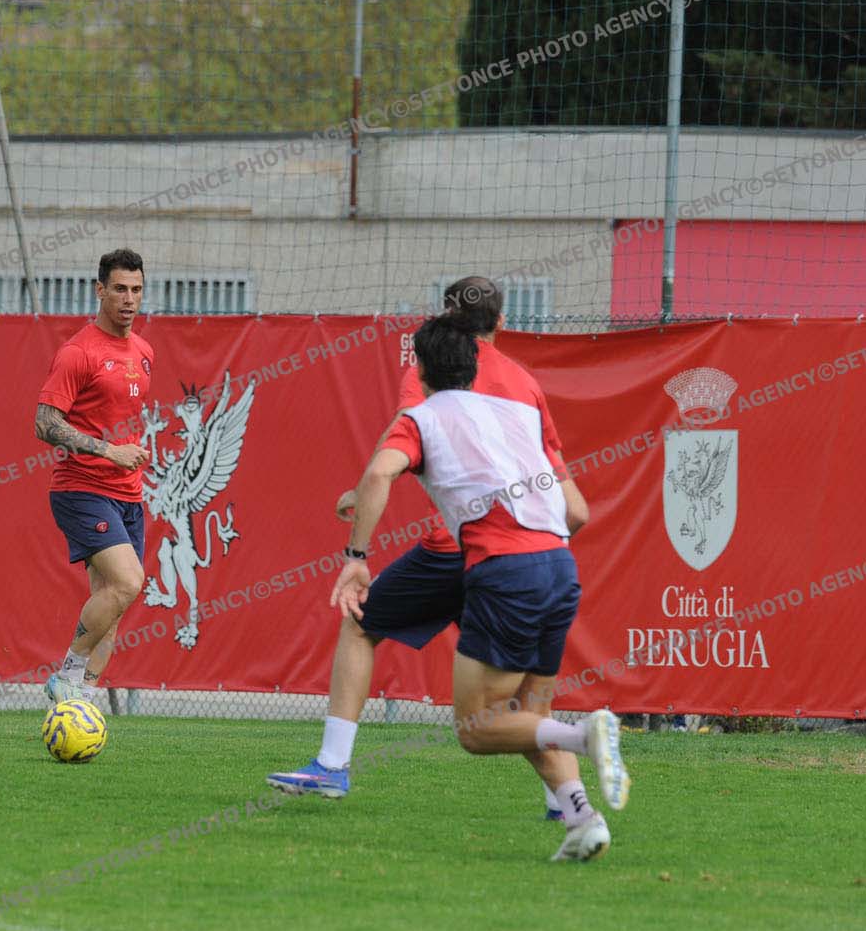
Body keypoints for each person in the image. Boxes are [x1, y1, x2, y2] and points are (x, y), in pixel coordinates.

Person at [268, 278, 588, 824]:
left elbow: (402, 442)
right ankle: (570, 805)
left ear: (443, 323)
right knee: (528, 701)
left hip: (460, 549)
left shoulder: (436, 370)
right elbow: (572, 505)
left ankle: (333, 765)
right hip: (536, 556)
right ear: (501, 322)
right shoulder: (525, 384)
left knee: (362, 623)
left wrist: (361, 504)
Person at [328, 313, 629, 862]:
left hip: (505, 571)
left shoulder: (421, 418)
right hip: (559, 566)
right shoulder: (518, 412)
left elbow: (378, 474)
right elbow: (575, 508)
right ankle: (583, 819)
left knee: (476, 728)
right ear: (474, 365)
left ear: (420, 371)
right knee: (528, 711)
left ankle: (585, 735)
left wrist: (356, 558)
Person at [33, 249, 153, 702]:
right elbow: (45, 424)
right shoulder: (78, 353)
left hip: (128, 494)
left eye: (136, 289)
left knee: (114, 603)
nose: (129, 298)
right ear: (100, 290)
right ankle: (66, 674)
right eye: (119, 289)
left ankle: (77, 704)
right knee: (128, 581)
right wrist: (109, 451)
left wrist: (127, 455)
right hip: (80, 488)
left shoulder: (144, 352)